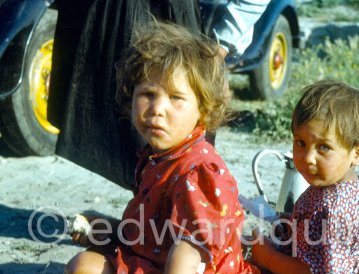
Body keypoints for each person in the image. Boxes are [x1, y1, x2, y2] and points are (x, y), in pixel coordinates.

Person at [63, 22, 274, 274]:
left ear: (202, 110)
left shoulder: (198, 171)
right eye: (148, 93)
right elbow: (158, 228)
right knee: (90, 249)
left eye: (176, 98)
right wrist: (113, 228)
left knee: (82, 271)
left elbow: (190, 252)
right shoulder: (160, 156)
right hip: (161, 260)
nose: (157, 109)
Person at [48, 0, 270, 189]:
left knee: (181, 147)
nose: (157, 107)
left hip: (176, 19)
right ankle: (147, 213)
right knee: (142, 142)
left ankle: (178, 217)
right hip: (112, 15)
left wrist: (220, 47)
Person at [250, 80, 359, 274]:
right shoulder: (345, 186)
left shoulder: (334, 208)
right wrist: (294, 225)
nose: (307, 157)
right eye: (301, 142)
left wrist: (268, 258)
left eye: (323, 147)